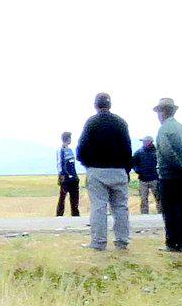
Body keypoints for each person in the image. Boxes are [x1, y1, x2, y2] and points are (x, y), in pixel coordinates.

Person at [77, 92, 132, 251]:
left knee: (99, 207)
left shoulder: (91, 123)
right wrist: (126, 169)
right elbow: (128, 149)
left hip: (97, 170)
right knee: (121, 207)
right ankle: (122, 241)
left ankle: (99, 243)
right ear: (110, 105)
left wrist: (88, 165)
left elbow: (81, 149)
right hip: (119, 170)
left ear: (95, 105)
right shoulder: (121, 123)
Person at [153, 98, 182, 253]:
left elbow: (168, 154)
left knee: (170, 212)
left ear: (163, 112)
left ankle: (173, 244)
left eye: (158, 112)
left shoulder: (163, 130)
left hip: (169, 177)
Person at [133, 136, 160, 216]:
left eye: (145, 141)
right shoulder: (138, 153)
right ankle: (144, 216)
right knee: (143, 199)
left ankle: (161, 214)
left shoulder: (157, 152)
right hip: (143, 179)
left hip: (154, 179)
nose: (143, 142)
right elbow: (134, 164)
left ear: (150, 142)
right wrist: (138, 171)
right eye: (143, 141)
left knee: (158, 198)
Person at [56, 132, 81, 217]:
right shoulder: (61, 150)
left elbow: (72, 165)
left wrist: (75, 176)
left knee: (75, 199)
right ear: (67, 139)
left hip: (73, 178)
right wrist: (63, 175)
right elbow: (60, 164)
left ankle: (75, 216)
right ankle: (59, 215)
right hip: (66, 178)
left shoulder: (70, 150)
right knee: (62, 197)